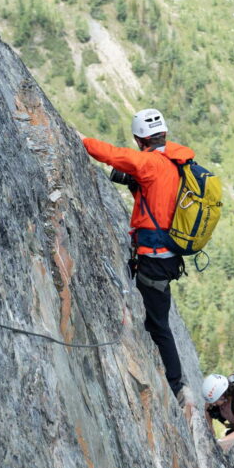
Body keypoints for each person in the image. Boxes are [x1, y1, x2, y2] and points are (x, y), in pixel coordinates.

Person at [80, 109, 194, 403]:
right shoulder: (175, 162)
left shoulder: (149, 163)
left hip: (155, 259)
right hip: (168, 255)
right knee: (156, 318)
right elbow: (155, 198)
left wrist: (82, 140)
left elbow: (113, 155)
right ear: (163, 134)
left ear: (139, 139)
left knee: (158, 325)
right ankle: (174, 380)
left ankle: (176, 385)